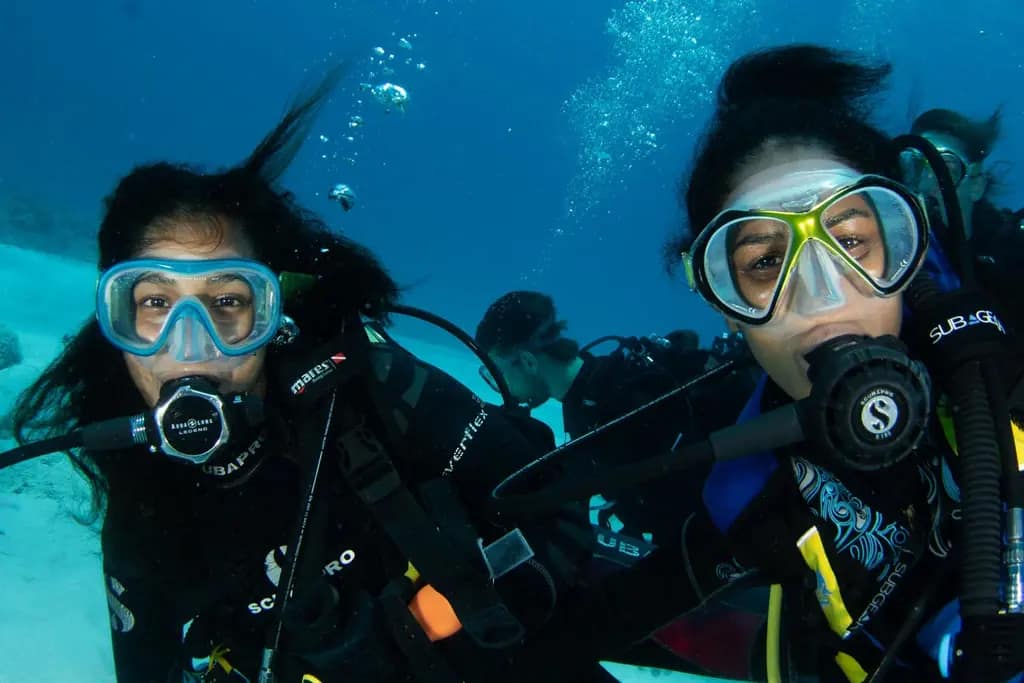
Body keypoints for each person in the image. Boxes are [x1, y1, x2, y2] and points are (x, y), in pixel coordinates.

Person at [9, 70, 601, 683]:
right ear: (116, 324)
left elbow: (553, 506)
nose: (190, 348)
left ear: (274, 317)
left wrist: (418, 630)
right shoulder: (143, 506)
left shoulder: (373, 392)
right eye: (154, 303)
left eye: (228, 302)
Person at [498, 44, 1024, 683]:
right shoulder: (752, 485)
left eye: (851, 240)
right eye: (766, 262)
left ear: (902, 251)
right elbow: (640, 600)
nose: (825, 298)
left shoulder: (1003, 365)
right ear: (725, 304)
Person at [475, 291, 761, 677]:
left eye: (497, 373)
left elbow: (688, 494)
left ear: (526, 361)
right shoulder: (597, 392)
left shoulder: (613, 405)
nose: (501, 386)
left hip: (738, 549)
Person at [903, 108, 1024, 335]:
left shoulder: (1012, 254)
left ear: (976, 185)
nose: (925, 183)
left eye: (945, 168)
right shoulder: (889, 260)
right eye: (915, 167)